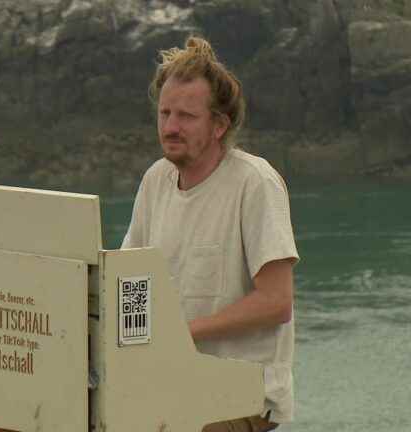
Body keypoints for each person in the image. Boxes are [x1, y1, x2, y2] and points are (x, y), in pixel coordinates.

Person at [121, 36, 299, 432]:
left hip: (243, 397)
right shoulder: (156, 180)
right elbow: (130, 281)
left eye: (186, 116)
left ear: (219, 125)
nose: (170, 126)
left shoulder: (254, 183)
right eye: (164, 113)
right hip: (169, 384)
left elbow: (276, 302)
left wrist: (181, 334)